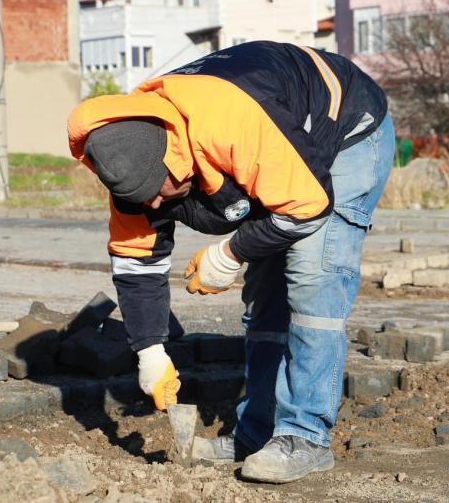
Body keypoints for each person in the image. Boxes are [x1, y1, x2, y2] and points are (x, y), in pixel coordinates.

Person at [67, 40, 394, 483]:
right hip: (277, 150)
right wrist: (150, 349)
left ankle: (305, 435)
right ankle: (256, 432)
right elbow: (137, 263)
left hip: (347, 131)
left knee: (313, 276)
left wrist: (230, 253)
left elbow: (307, 207)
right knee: (266, 295)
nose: (159, 201)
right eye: (147, 197)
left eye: (163, 187)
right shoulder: (128, 163)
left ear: (173, 151)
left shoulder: (228, 124)